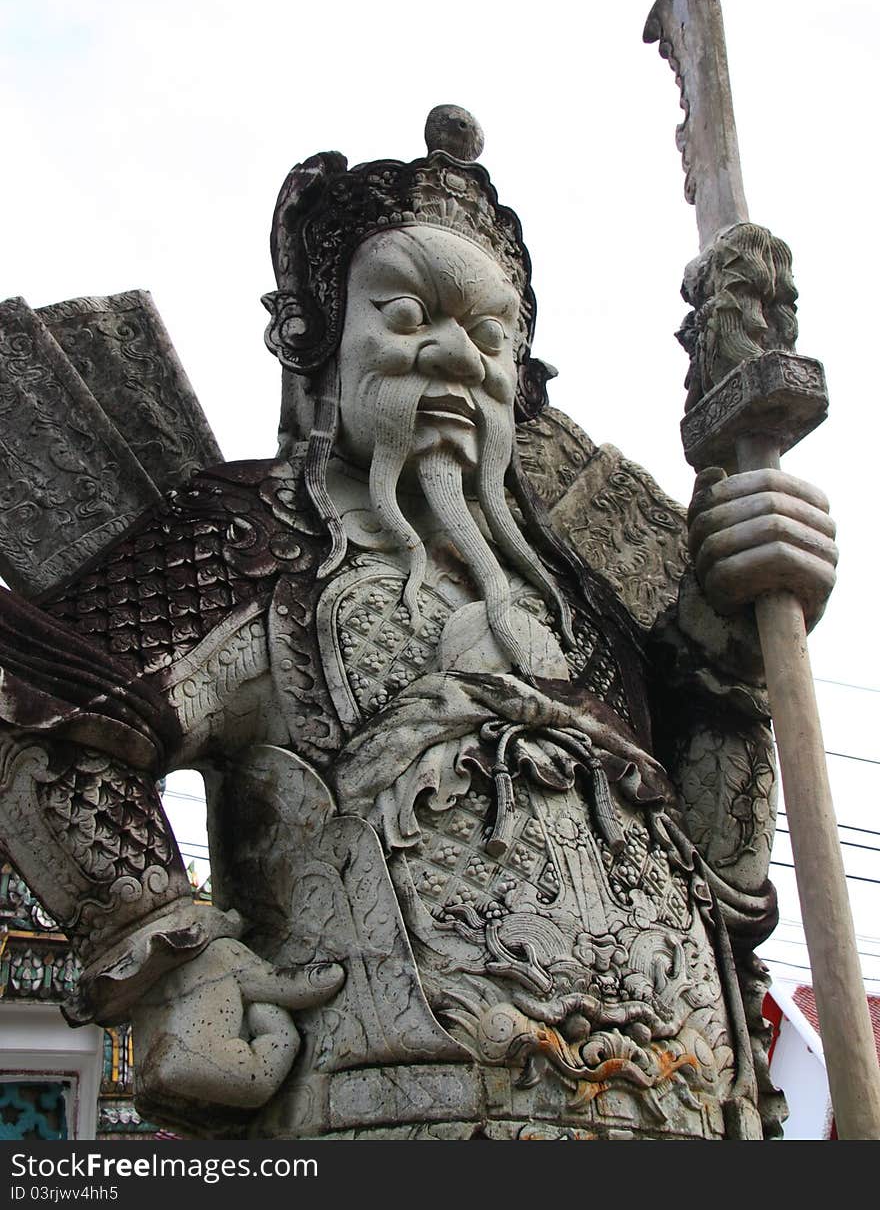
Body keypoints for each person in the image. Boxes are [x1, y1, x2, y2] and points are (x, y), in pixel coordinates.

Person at [0, 107, 837, 1140]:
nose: (453, 356)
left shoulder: (594, 624)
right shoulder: (256, 539)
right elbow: (48, 728)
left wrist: (728, 636)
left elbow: (724, 882)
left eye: (490, 336)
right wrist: (168, 952)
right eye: (403, 313)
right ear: (317, 336)